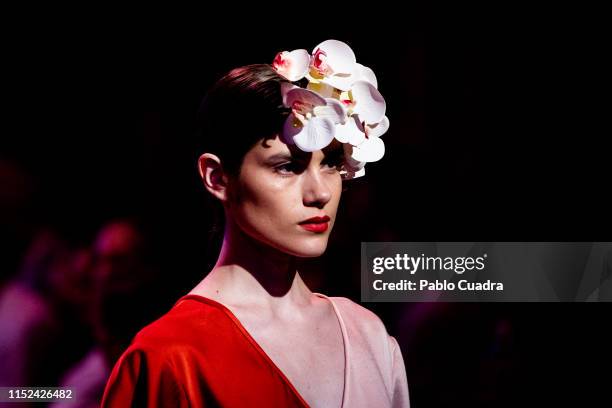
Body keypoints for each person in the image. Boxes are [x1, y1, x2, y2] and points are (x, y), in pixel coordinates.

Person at [101, 40, 409, 407]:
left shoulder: (369, 338)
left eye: (330, 163)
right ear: (217, 177)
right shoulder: (170, 358)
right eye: (287, 166)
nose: (320, 193)